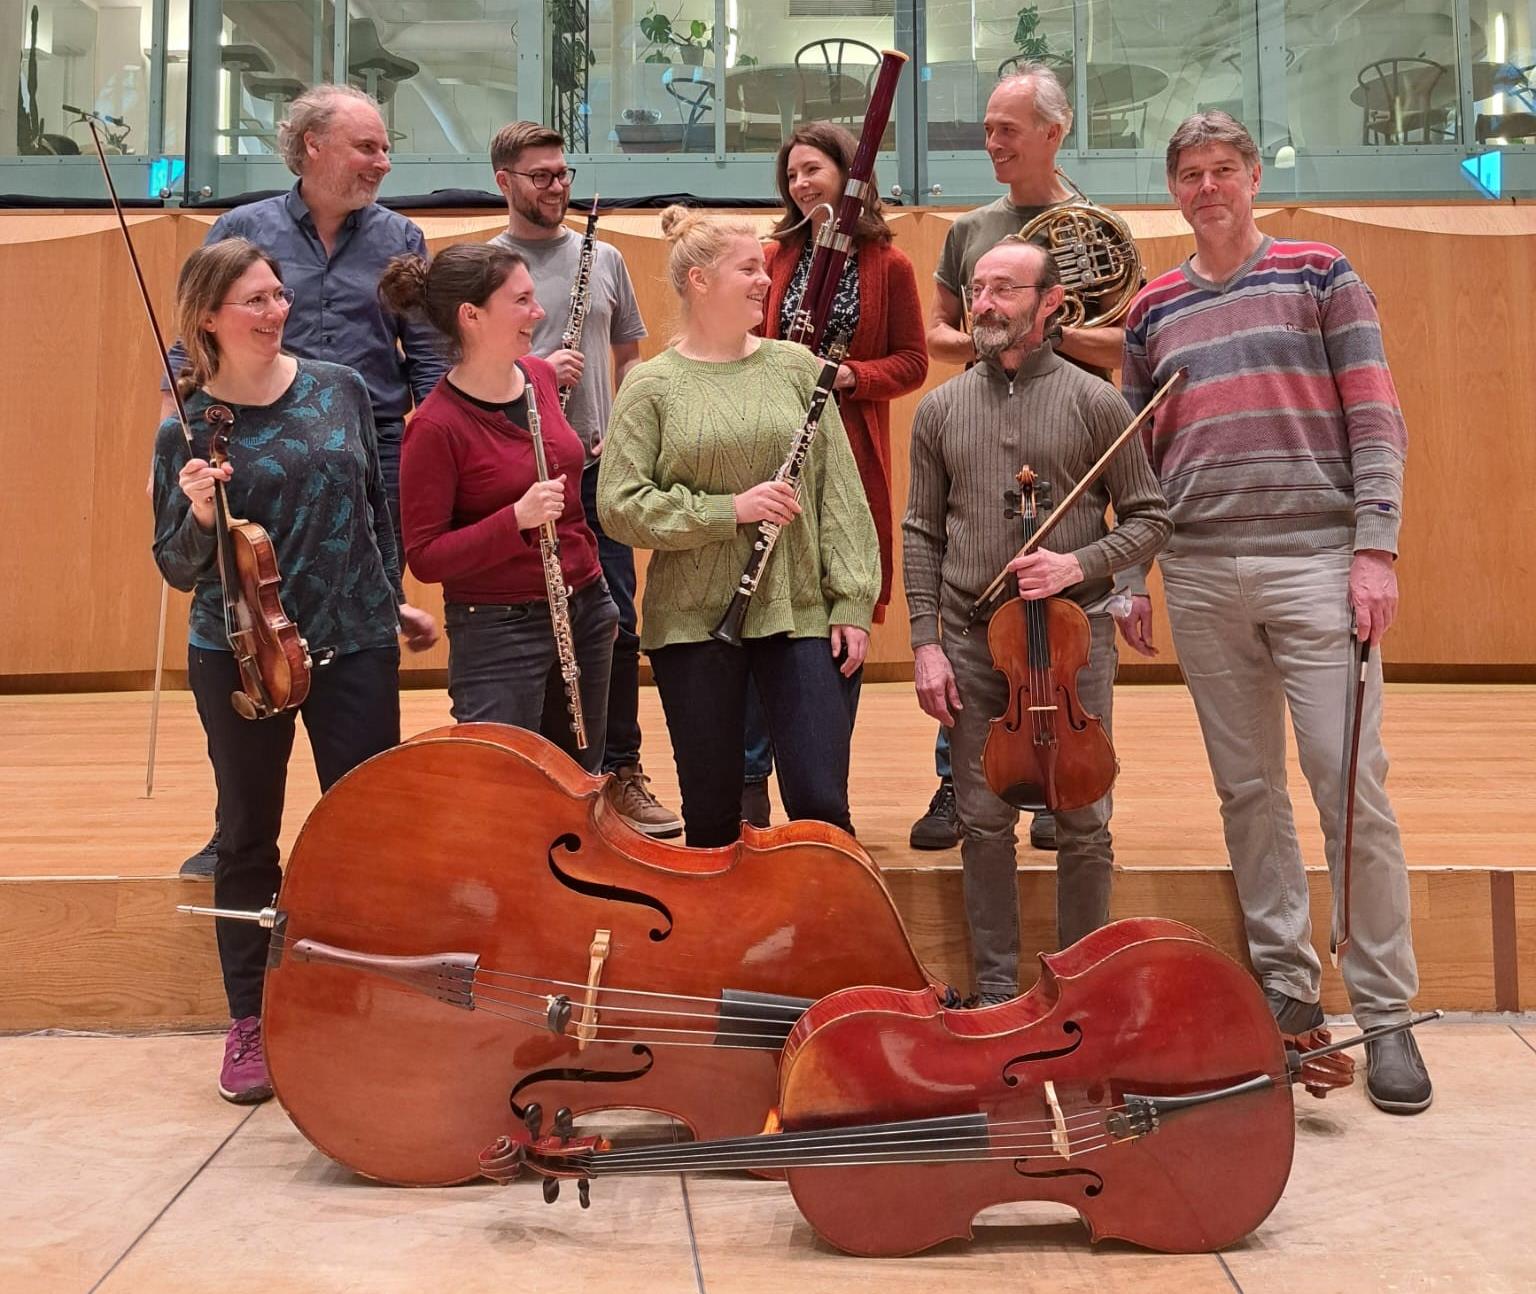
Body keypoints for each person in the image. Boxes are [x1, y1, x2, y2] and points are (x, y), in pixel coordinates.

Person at [1119, 110, 1429, 1113]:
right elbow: (1134, 458)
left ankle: (1384, 1014)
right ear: (1173, 190)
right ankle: (1289, 991)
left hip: (1317, 565)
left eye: (1225, 169)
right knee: (1247, 792)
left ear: (1254, 177)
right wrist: (1129, 576)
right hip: (1203, 574)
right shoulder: (1152, 307)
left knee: (1349, 785)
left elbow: (1376, 414)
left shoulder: (1320, 273)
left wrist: (1374, 548)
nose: (1209, 186)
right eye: (1191, 173)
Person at [150, 238, 438, 1103]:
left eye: (278, 296)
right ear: (209, 318)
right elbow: (174, 563)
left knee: (366, 830)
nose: (276, 312)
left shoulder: (340, 387)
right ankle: (250, 1018)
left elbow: (370, 508)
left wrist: (392, 600)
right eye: (254, 302)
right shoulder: (186, 431)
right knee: (246, 835)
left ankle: (370, 1001)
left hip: (353, 639)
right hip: (241, 651)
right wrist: (200, 511)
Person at [165, 83, 448, 878]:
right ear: (313, 147)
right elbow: (189, 349)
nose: (382, 162)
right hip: (247, 440)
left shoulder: (401, 236)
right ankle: (238, 825)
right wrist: (178, 446)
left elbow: (424, 357)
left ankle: (351, 834)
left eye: (385, 148)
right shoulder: (242, 229)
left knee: (355, 601)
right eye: (367, 147)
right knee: (246, 612)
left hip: (363, 437)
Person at [903, 235, 1170, 1006]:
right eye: (977, 289)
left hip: (1075, 645)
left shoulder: (1098, 402)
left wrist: (1076, 566)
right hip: (971, 640)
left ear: (1050, 303)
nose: (983, 304)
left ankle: (1082, 989)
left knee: (1084, 822)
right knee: (983, 823)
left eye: (1003, 290)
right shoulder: (940, 409)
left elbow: (1150, 518)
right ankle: (994, 994)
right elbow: (921, 532)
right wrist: (926, 644)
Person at [598, 207, 880, 849]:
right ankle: (719, 948)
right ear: (699, 280)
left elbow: (839, 492)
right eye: (748, 268)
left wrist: (854, 601)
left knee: (820, 804)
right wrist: (729, 510)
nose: (765, 280)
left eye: (765, 268)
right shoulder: (651, 385)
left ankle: (824, 941)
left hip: (800, 607)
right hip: (694, 618)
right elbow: (619, 505)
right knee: (712, 809)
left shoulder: (795, 367)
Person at [913, 63, 1131, 854]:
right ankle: (960, 778)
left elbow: (1126, 341)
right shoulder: (970, 228)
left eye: (1008, 128)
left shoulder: (1097, 226)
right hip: (983, 421)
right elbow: (935, 334)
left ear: (1054, 131)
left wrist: (1046, 330)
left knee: (1066, 625)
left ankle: (1061, 782)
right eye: (989, 127)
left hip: (1072, 428)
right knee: (976, 616)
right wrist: (996, 332)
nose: (992, 141)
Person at [485, 121, 680, 836]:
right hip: (516, 473)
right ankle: (540, 778)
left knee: (616, 626)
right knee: (532, 630)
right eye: (540, 176)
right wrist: (537, 373)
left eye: (563, 173)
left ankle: (618, 770)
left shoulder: (607, 257)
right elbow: (466, 373)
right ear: (504, 182)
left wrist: (621, 425)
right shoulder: (482, 265)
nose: (558, 186)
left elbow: (630, 355)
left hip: (596, 470)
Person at [740, 120, 929, 827]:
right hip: (774, 451)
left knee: (837, 605)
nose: (800, 185)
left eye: (812, 170)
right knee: (764, 601)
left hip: (848, 454)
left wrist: (851, 375)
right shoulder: (775, 255)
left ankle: (822, 786)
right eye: (791, 176)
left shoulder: (890, 264)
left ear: (849, 173)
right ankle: (750, 781)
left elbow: (911, 361)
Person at [384, 244, 617, 772]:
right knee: (503, 788)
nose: (537, 313)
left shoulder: (539, 377)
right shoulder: (435, 427)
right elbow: (426, 556)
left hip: (583, 603)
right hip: (498, 629)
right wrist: (513, 519)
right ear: (472, 316)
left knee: (579, 780)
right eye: (522, 300)